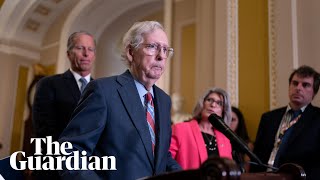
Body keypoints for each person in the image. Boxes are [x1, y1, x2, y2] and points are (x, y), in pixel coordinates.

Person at [58, 21, 181, 180]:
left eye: (165, 50)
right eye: (152, 47)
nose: (161, 56)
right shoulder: (103, 91)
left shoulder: (164, 101)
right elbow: (70, 151)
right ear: (131, 52)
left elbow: (161, 156)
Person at [32, 31, 96, 179]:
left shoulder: (102, 90)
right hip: (55, 171)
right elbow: (44, 132)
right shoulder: (49, 84)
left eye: (90, 49)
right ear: (69, 54)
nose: (86, 54)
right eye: (80, 48)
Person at [252, 65, 320, 180]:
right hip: (264, 177)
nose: (298, 88)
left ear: (314, 92)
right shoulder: (268, 118)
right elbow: (257, 154)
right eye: (295, 83)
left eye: (305, 85)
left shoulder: (317, 119)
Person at [169, 87, 233, 170]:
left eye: (219, 103)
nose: (213, 105)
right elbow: (167, 160)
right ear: (202, 103)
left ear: (223, 111)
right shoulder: (180, 129)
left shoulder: (225, 139)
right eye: (209, 100)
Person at [231, 106, 253, 172]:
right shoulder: (216, 140)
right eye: (226, 118)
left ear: (239, 122)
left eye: (232, 120)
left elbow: (246, 171)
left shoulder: (247, 144)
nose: (228, 122)